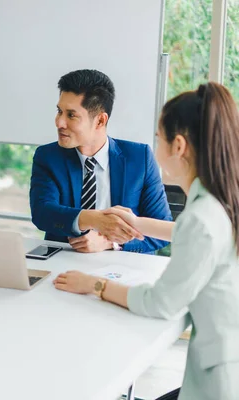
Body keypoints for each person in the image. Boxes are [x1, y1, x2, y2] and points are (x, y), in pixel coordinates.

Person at [54, 82, 239, 400]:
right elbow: (190, 232)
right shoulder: (220, 198)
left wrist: (94, 285)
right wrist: (137, 222)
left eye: (159, 139)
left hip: (219, 385)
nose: (155, 148)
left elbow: (161, 303)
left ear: (178, 146)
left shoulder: (202, 218)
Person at [30, 69, 172, 253]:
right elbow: (43, 213)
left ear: (100, 121)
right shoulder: (48, 156)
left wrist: (111, 243)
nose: (59, 122)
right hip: (65, 263)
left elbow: (162, 229)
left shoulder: (139, 158)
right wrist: (93, 219)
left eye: (71, 115)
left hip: (124, 269)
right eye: (59, 111)